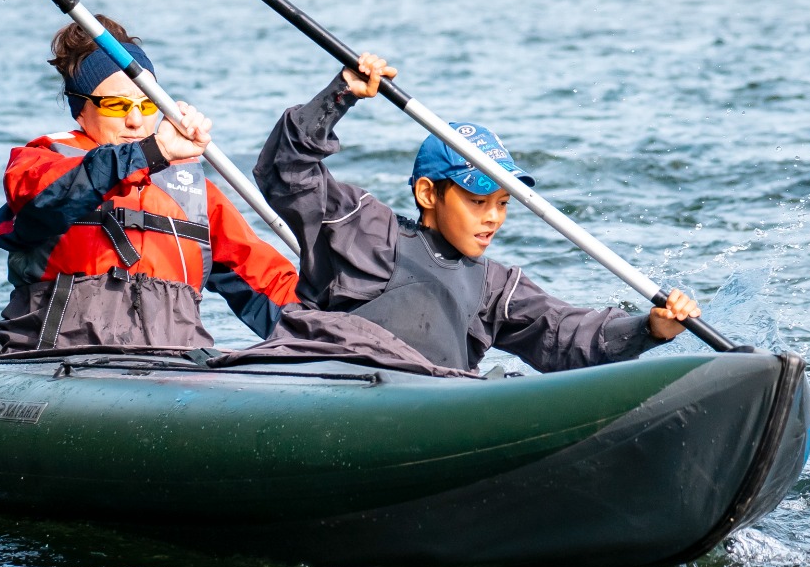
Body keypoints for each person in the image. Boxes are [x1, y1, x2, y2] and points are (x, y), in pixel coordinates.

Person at [252, 54, 702, 375]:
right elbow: (285, 174)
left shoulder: (495, 287)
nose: (493, 218)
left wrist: (649, 328)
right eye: (477, 200)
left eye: (502, 203)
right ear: (428, 193)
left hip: (428, 408)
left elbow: (566, 337)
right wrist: (339, 96)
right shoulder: (366, 232)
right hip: (330, 390)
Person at [0, 16, 299, 353]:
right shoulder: (42, 164)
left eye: (146, 104)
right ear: (81, 110)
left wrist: (335, 327)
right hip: (52, 360)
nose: (135, 120)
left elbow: (267, 283)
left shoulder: (195, 192)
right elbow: (50, 200)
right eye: (117, 105)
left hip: (172, 371)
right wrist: (152, 152)